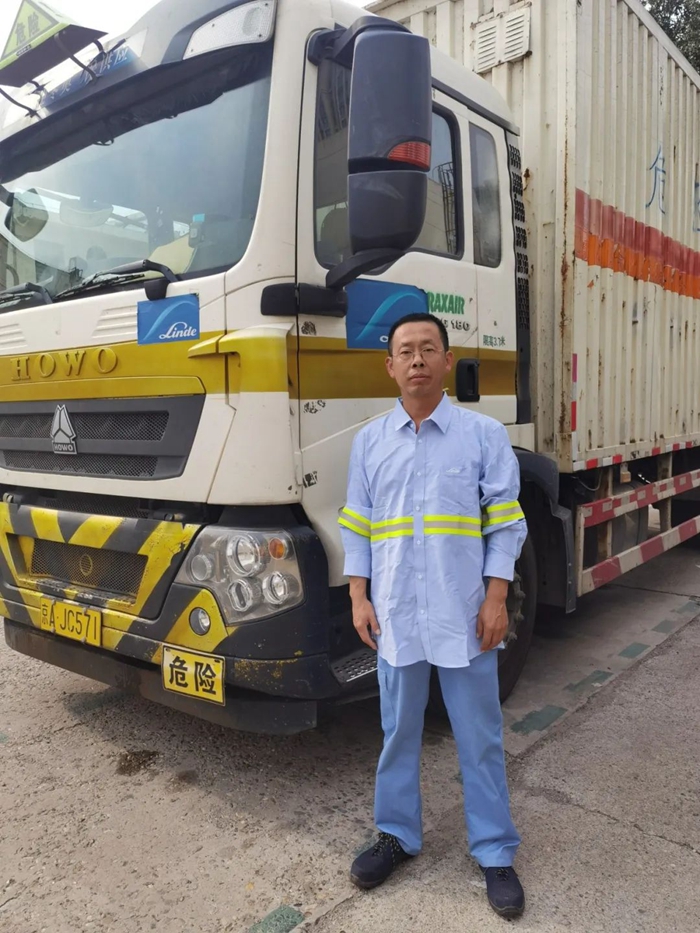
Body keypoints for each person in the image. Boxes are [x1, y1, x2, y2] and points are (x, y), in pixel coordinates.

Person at [338, 312, 528, 919]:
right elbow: (357, 525)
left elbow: (506, 521)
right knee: (398, 732)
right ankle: (396, 835)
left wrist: (496, 598)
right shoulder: (370, 442)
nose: (416, 359)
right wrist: (358, 596)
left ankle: (494, 851)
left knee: (479, 736)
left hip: (464, 615)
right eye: (405, 351)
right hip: (396, 615)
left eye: (428, 349)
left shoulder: (482, 435)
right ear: (390, 366)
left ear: (448, 361)